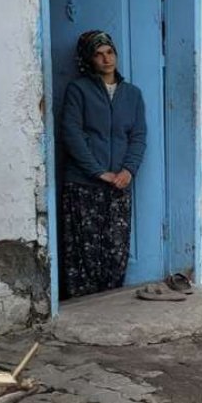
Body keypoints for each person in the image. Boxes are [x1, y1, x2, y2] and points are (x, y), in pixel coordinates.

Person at [57, 30, 147, 299]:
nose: (106, 59)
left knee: (115, 248)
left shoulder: (132, 94)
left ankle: (111, 302)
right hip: (84, 184)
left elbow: (138, 136)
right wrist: (98, 171)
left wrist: (128, 170)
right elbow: (71, 133)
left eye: (109, 52)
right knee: (84, 250)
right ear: (89, 59)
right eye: (98, 54)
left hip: (119, 184)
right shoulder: (78, 90)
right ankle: (83, 304)